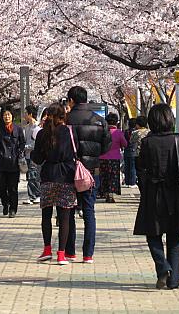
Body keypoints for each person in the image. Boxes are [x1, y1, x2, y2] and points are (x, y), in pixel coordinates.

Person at [133, 104, 179, 289]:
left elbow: (140, 167)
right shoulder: (178, 139)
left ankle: (163, 267)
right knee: (174, 237)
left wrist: (144, 187)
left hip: (153, 192)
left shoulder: (148, 142)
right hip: (175, 193)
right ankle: (174, 280)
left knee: (153, 234)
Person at [65, 86, 112, 264]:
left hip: (69, 171)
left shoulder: (66, 120)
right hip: (90, 172)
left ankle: (70, 251)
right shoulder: (99, 120)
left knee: (68, 211)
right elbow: (106, 146)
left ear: (71, 100)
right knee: (89, 211)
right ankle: (88, 254)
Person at [31, 103, 77, 265]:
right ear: (62, 116)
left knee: (46, 215)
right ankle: (61, 254)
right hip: (66, 176)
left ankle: (47, 249)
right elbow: (75, 151)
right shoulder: (69, 131)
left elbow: (37, 159)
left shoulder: (43, 134)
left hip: (48, 176)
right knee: (64, 217)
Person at [0, 107, 26, 218]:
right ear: (2, 117)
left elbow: (22, 142)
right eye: (5, 115)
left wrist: (19, 152)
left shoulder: (18, 129)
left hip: (14, 163)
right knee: (1, 186)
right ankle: (5, 203)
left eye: (9, 115)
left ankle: (13, 208)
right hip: (1, 163)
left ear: (12, 116)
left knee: (13, 188)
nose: (7, 117)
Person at [99, 113, 128, 203]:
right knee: (113, 176)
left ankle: (104, 192)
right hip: (114, 158)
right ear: (116, 122)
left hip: (102, 157)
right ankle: (111, 194)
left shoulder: (102, 131)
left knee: (103, 175)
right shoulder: (118, 132)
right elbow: (125, 144)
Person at [23, 105, 42, 205]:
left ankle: (35, 195)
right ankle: (33, 195)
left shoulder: (37, 127)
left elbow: (35, 143)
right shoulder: (26, 127)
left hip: (33, 155)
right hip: (27, 155)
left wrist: (25, 147)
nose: (24, 115)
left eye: (26, 113)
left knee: (33, 175)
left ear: (30, 114)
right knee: (30, 175)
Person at [127, 116, 149, 188]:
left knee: (140, 173)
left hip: (138, 154)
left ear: (137, 124)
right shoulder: (149, 132)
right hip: (148, 155)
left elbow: (131, 141)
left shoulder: (135, 133)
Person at [123, 118, 136, 185]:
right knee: (133, 167)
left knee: (127, 167)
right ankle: (132, 182)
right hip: (134, 151)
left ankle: (127, 181)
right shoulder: (136, 132)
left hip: (126, 150)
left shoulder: (126, 131)